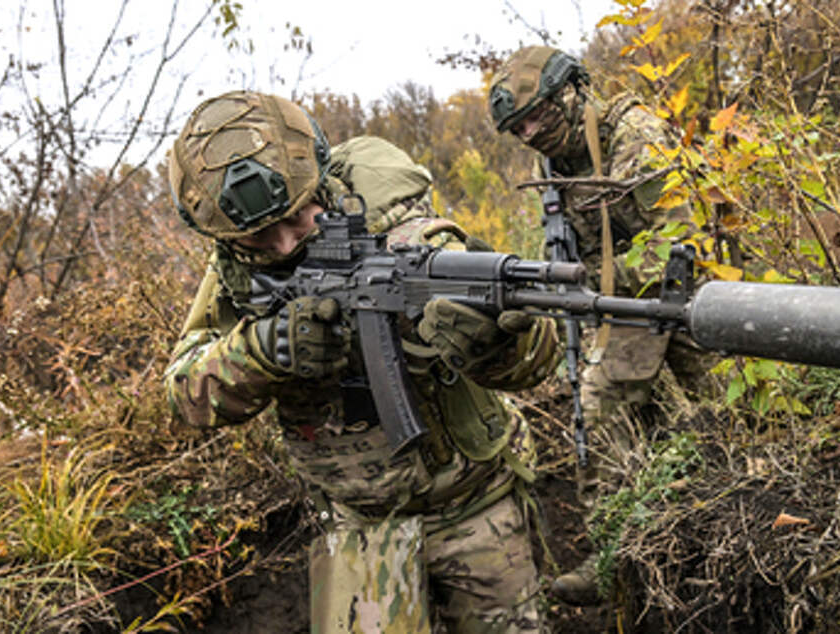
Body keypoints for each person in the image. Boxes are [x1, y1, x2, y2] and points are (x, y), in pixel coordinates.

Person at [164, 90, 561, 633]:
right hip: (355, 528)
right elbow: (184, 392)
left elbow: (537, 363)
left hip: (476, 509)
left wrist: (495, 343)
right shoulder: (236, 271)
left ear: (320, 183)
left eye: (297, 217)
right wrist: (261, 351)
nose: (284, 245)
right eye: (259, 236)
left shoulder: (409, 238)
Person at [488, 46, 715, 606]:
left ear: (571, 92)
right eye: (518, 128)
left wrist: (593, 285)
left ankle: (726, 521)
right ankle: (613, 552)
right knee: (599, 408)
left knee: (724, 416)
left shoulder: (634, 137)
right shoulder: (554, 163)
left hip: (687, 300)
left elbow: (680, 245)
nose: (529, 134)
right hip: (619, 310)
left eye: (537, 117)